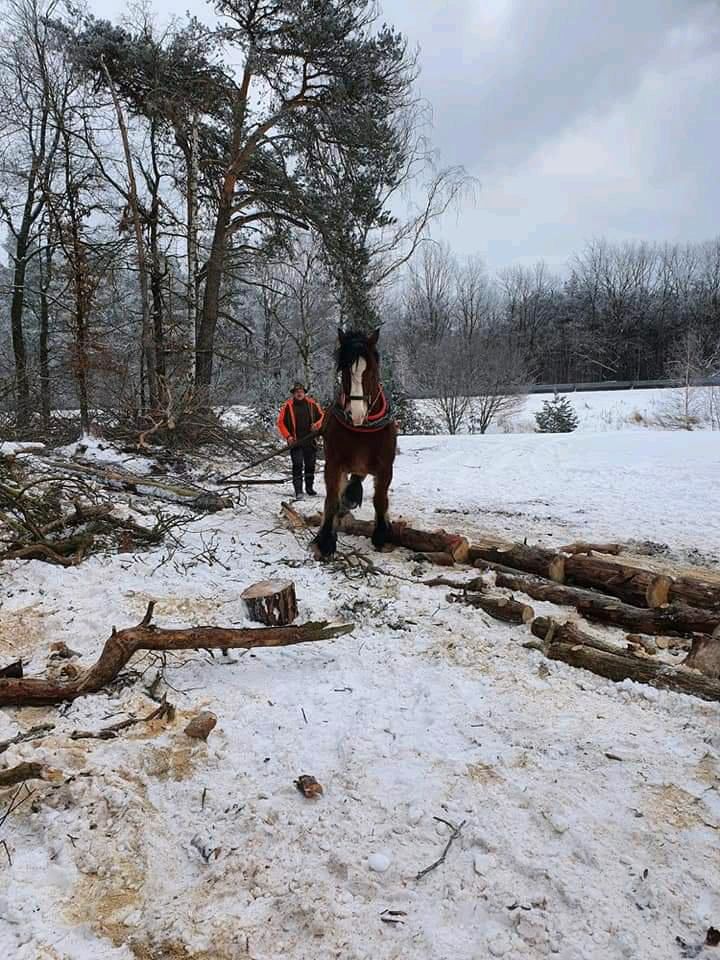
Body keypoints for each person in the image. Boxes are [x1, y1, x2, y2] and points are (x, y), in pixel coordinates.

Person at [277, 383, 324, 499]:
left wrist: (317, 425)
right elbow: (280, 423)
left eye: (301, 391)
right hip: (296, 442)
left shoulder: (312, 404)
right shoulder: (287, 406)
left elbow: (323, 417)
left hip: (310, 441)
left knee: (310, 466)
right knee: (297, 465)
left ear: (304, 393)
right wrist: (288, 437)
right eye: (297, 391)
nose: (299, 393)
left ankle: (309, 488)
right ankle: (298, 490)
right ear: (293, 393)